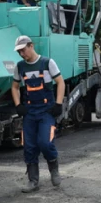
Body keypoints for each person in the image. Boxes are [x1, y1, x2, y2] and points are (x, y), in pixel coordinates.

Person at [11, 35, 65, 192]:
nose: (22, 54)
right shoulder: (20, 67)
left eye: (23, 50)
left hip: (46, 111)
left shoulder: (47, 63)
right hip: (30, 111)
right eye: (19, 52)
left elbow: (60, 82)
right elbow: (14, 87)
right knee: (29, 146)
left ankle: (54, 169)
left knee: (45, 143)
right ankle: (33, 181)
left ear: (31, 46)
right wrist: (18, 105)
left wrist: (59, 104)